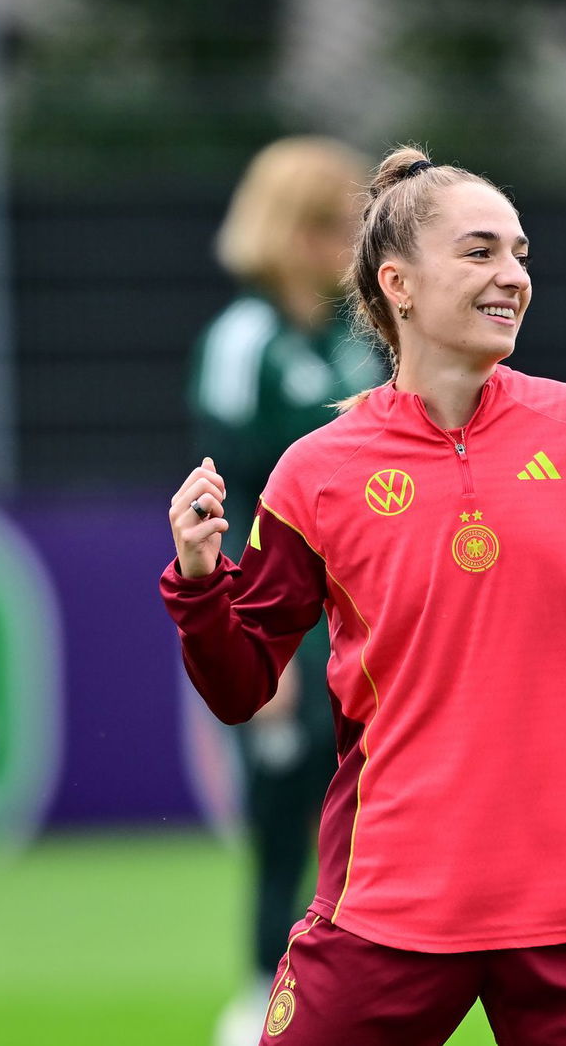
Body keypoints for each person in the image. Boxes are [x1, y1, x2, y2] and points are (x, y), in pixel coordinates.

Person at [162, 147, 566, 1046]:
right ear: (397, 282)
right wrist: (201, 585)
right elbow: (239, 686)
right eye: (479, 253)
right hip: (385, 912)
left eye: (519, 254)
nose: (511, 276)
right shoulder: (317, 472)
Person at [185, 135, 385, 1046]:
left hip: (365, 609)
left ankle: (364, 980)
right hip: (283, 616)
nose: (346, 241)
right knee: (281, 814)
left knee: (370, 808)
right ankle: (260, 993)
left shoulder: (357, 340)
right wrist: (254, 636)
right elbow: (224, 492)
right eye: (331, 224)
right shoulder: (243, 340)